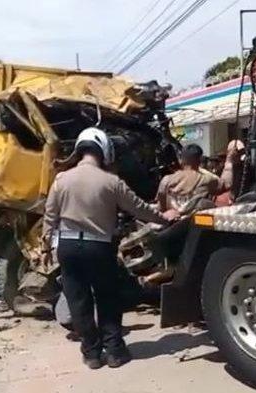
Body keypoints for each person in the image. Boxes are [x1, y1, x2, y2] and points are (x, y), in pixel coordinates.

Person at [42, 127, 179, 370]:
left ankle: (92, 354)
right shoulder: (112, 181)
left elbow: (50, 217)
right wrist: (164, 218)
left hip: (68, 246)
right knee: (107, 298)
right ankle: (115, 351)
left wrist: (45, 247)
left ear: (79, 150)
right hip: (99, 247)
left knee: (79, 300)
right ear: (104, 151)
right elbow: (139, 209)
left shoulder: (61, 179)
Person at [155, 142, 241, 217]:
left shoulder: (166, 180)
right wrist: (229, 161)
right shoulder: (206, 179)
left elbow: (161, 208)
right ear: (199, 160)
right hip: (194, 228)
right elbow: (227, 184)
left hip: (172, 225)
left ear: (181, 159)